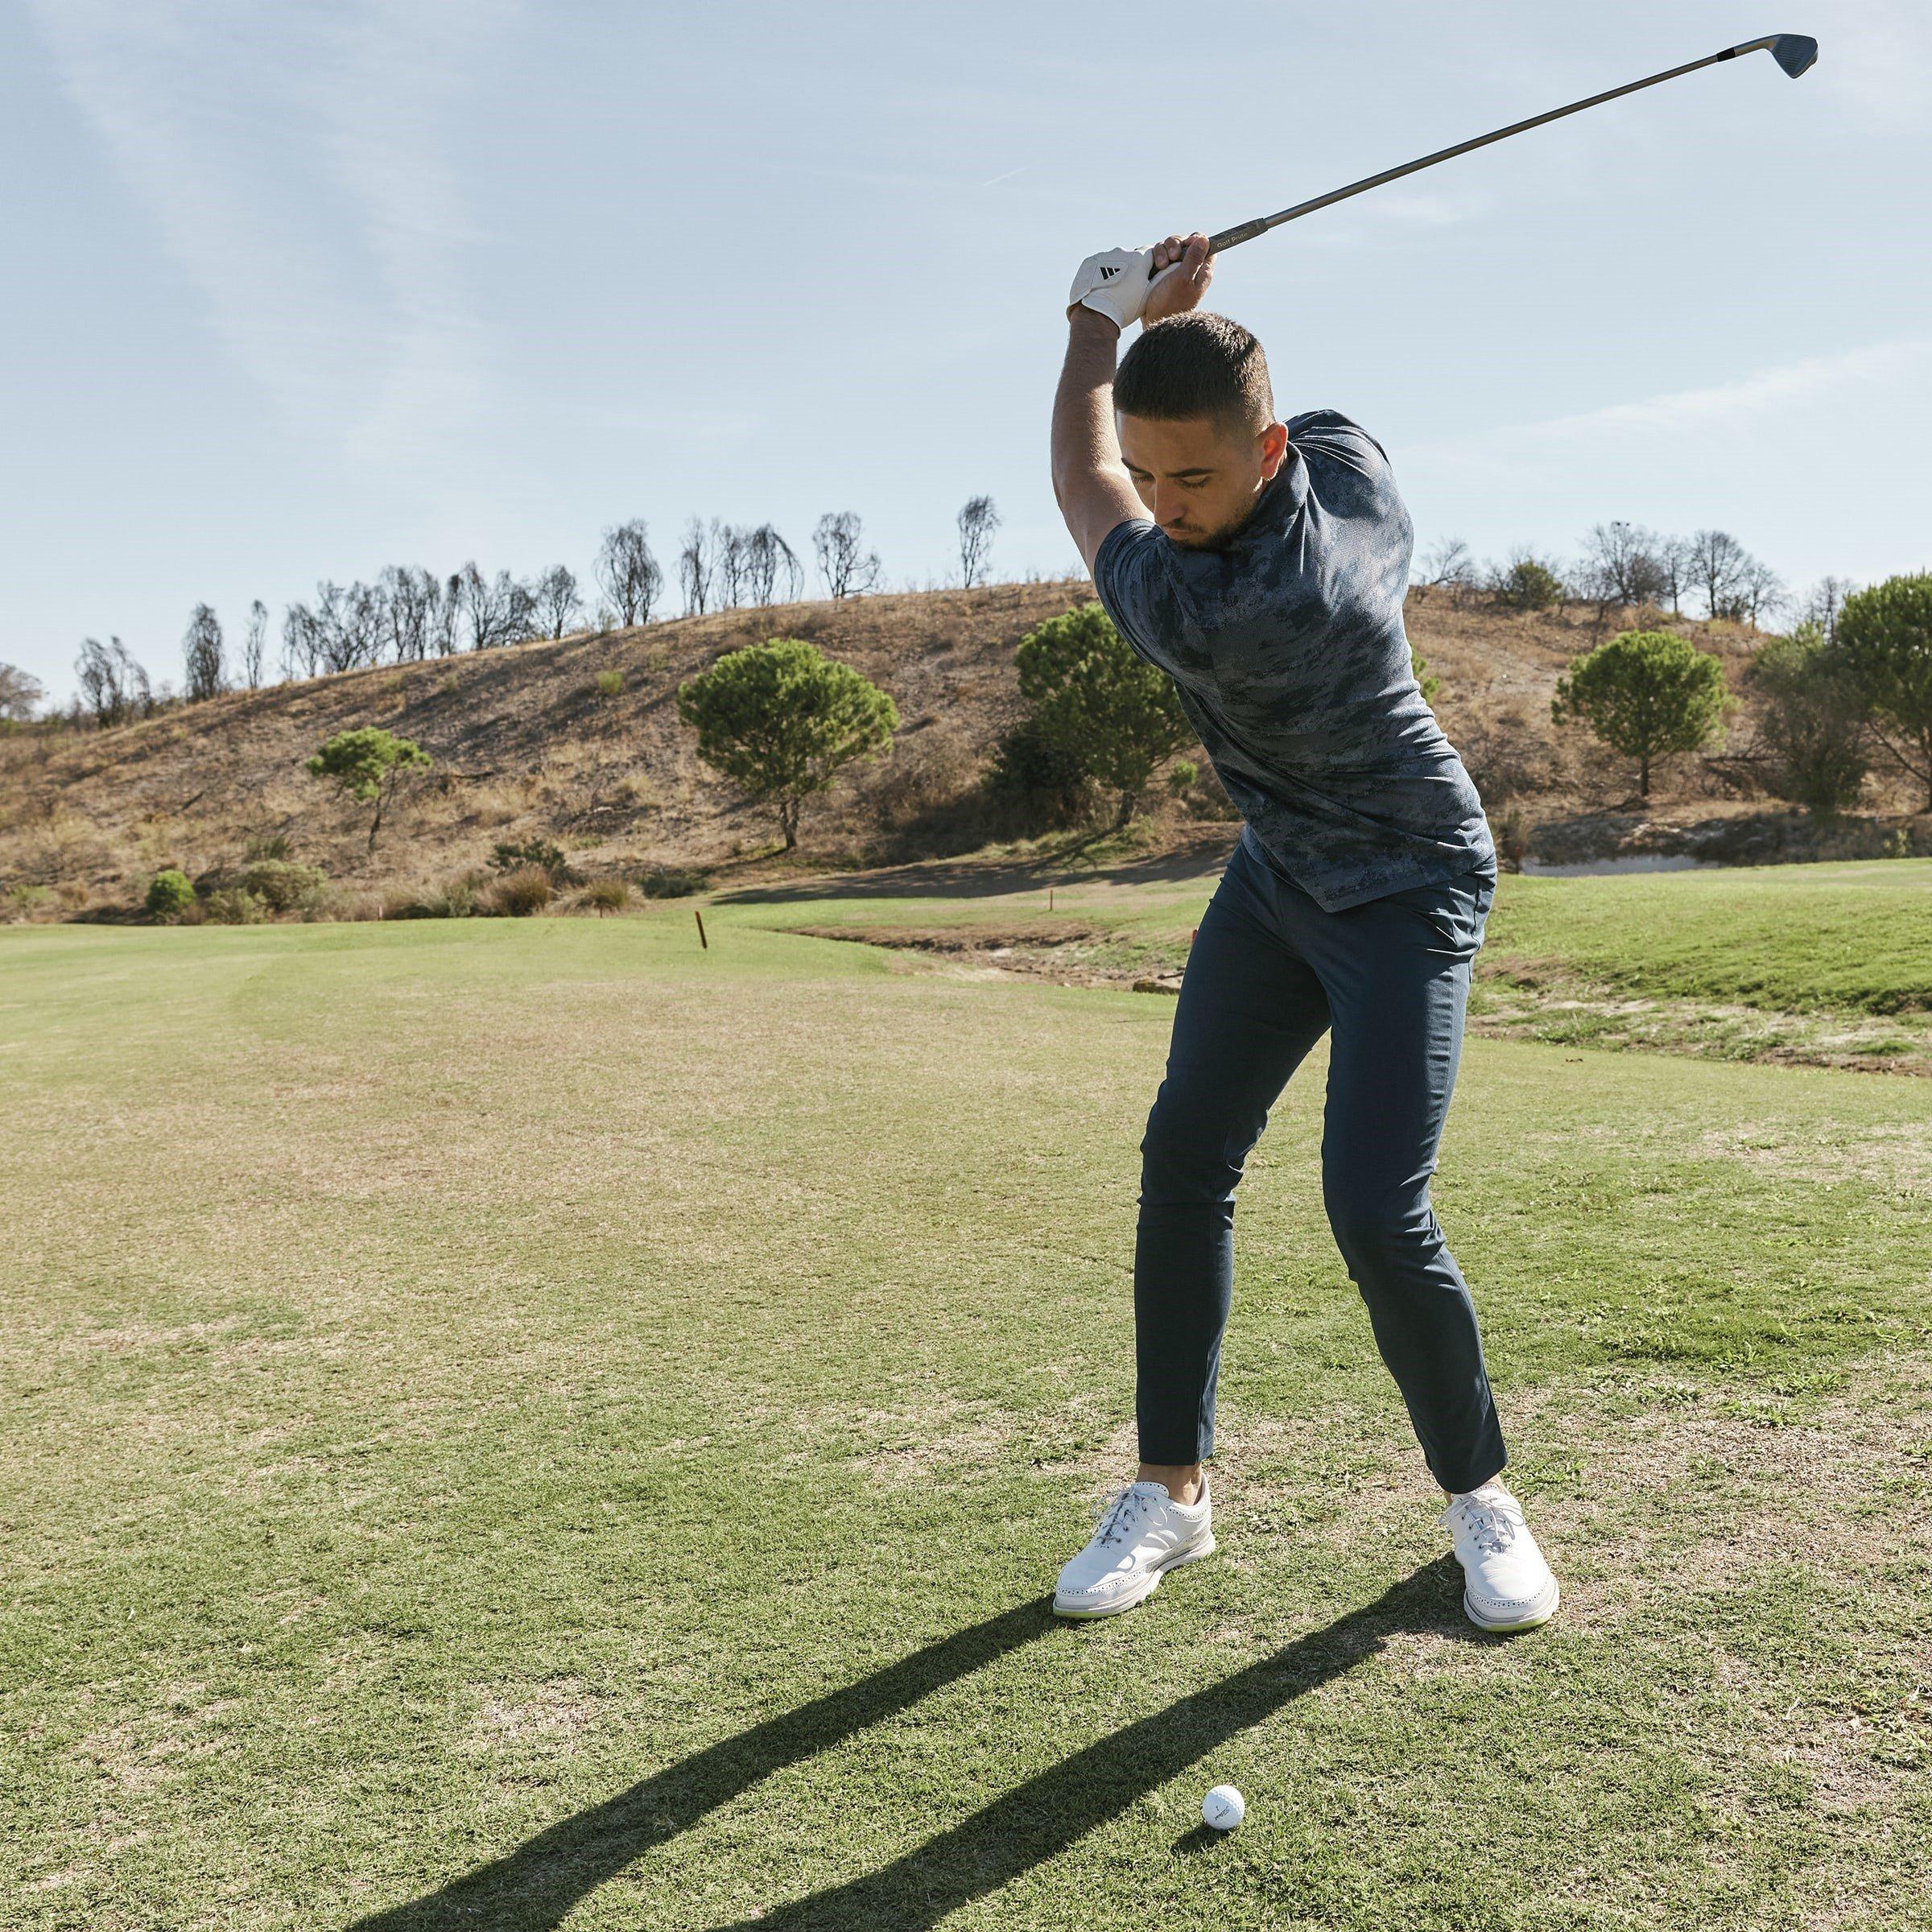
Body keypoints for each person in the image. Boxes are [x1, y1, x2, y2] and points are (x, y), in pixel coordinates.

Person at [1047, 232, 1559, 1633]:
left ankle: (1480, 1500)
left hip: (1406, 880)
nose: (1160, 503)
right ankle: (1172, 1490)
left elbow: (1077, 482)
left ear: (1265, 456)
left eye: (1192, 477)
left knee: (1374, 1205)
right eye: (1154, 475)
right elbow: (1230, 422)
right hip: (1281, 875)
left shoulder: (1231, 607)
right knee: (1184, 1156)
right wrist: (1184, 337)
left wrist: (1097, 328)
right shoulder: (1353, 469)